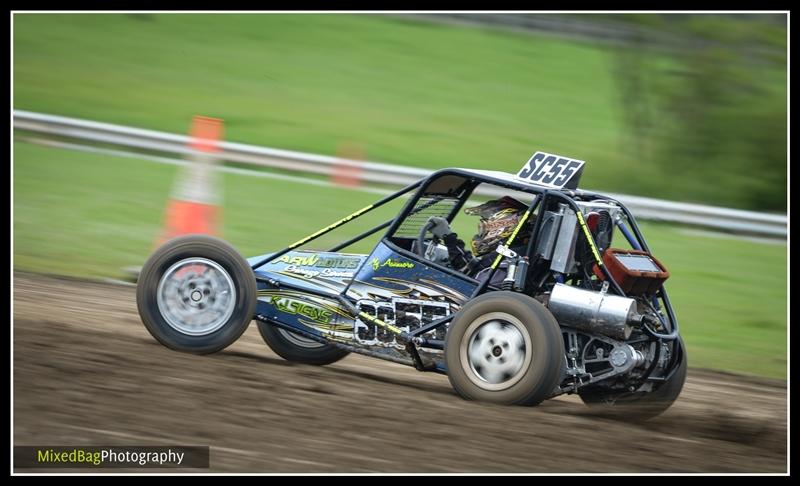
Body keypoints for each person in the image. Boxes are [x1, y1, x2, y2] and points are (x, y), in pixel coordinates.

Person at [427, 196, 532, 280]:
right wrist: (449, 238)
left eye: (484, 228)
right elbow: (470, 269)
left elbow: (470, 285)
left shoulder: (507, 263)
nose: (480, 233)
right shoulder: (510, 254)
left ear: (502, 228)